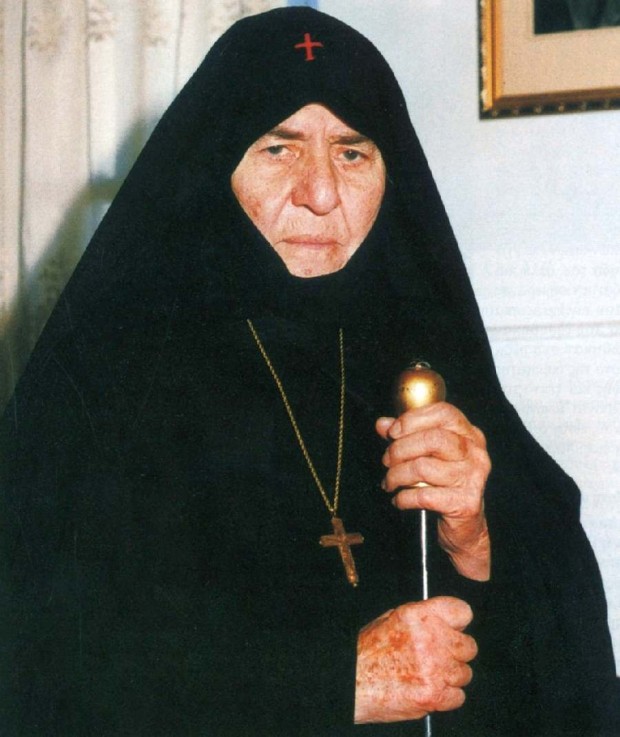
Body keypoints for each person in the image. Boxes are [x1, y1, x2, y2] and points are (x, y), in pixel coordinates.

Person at [0, 7, 617, 736]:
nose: (321, 193)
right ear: (214, 166)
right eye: (278, 149)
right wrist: (329, 682)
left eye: (352, 153)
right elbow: (44, 667)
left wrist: (473, 540)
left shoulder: (427, 360)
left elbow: (566, 663)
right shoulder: (109, 380)